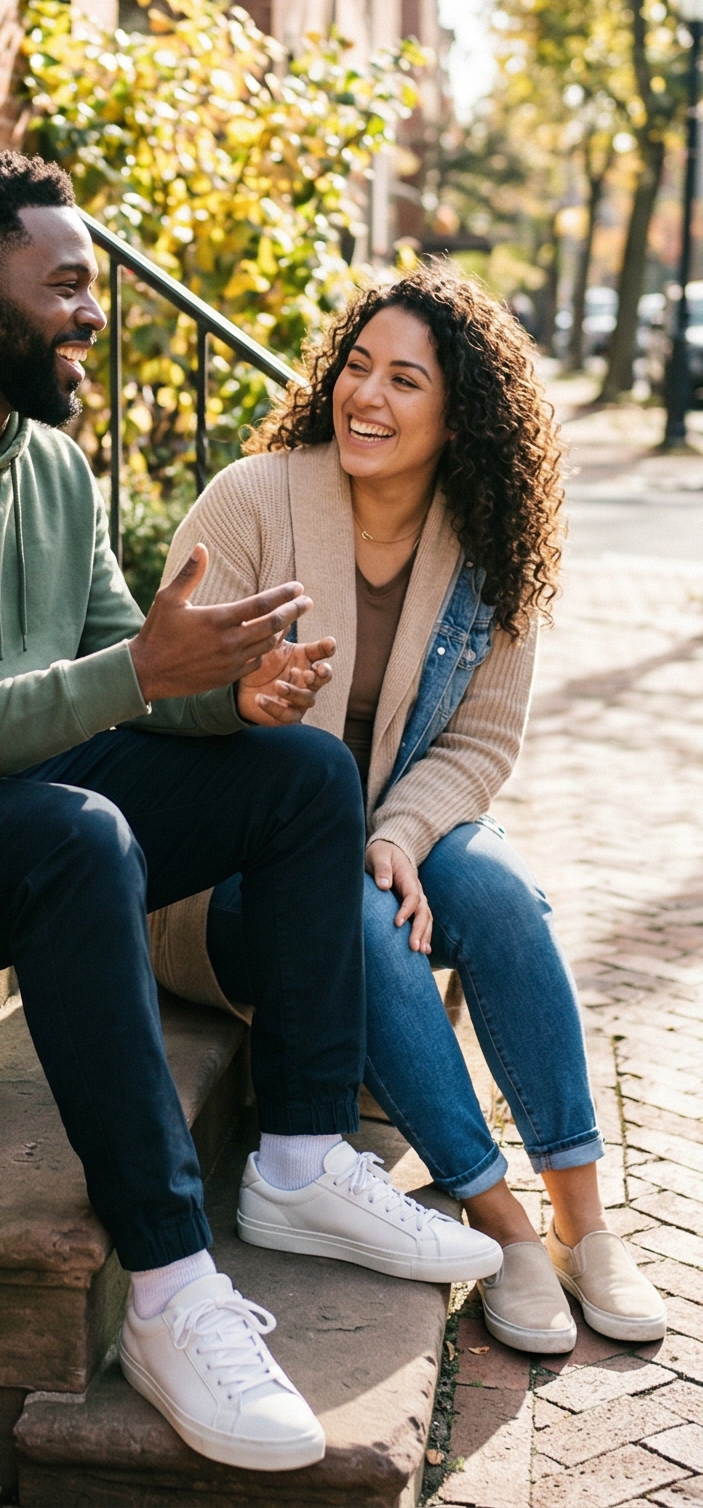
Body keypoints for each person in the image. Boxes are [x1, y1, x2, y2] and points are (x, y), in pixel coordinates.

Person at [0, 153, 501, 1475]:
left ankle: (300, 1159)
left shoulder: (49, 464)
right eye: (66, 285)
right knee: (78, 836)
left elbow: (117, 673)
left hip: (4, 794)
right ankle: (167, 1283)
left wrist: (226, 696)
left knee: (303, 772)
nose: (92, 311)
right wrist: (137, 673)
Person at [151, 268, 665, 1353]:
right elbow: (158, 689)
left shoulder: (490, 545)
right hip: (225, 882)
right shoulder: (252, 499)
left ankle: (582, 1220)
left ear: (460, 416)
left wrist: (395, 834)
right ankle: (501, 1222)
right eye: (355, 366)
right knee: (356, 907)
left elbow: (480, 742)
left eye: (403, 379)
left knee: (498, 890)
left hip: (386, 839)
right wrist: (242, 701)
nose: (365, 396)